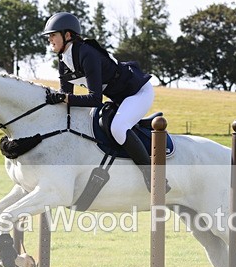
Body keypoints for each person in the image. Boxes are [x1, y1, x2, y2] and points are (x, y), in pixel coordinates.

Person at [42, 12, 166, 192]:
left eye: (53, 35)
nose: (49, 40)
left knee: (118, 127)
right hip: (119, 98)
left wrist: (64, 98)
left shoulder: (87, 54)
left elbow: (94, 99)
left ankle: (154, 176)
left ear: (67, 35)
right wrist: (58, 99)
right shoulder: (63, 60)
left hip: (138, 93)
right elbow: (66, 97)